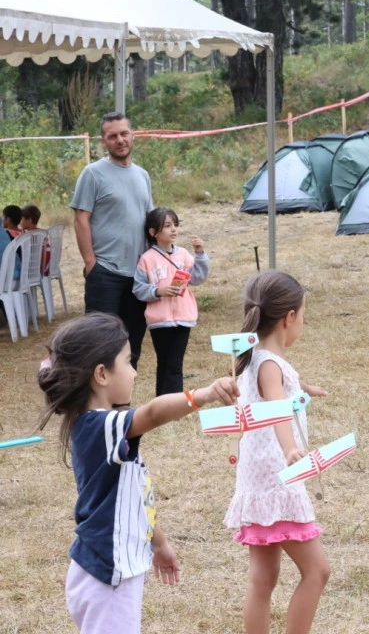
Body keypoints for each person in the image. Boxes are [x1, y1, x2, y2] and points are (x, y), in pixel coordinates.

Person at [35, 313, 238, 634]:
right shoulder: (100, 426)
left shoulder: (99, 427)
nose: (135, 371)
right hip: (106, 578)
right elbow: (154, 412)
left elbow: (129, 498)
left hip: (105, 572)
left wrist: (158, 542)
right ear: (101, 374)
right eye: (128, 362)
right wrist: (203, 394)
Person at [224, 271, 331, 633]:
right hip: (277, 478)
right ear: (288, 317)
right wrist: (290, 449)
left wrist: (303, 388)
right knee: (317, 570)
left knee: (263, 577)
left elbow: (280, 392)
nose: (302, 323)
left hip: (257, 477)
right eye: (303, 316)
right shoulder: (269, 363)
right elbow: (276, 408)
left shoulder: (254, 356)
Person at [72, 113, 154, 369]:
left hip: (138, 274)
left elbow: (149, 221)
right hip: (105, 272)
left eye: (124, 133)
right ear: (103, 141)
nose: (120, 140)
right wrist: (91, 263)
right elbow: (80, 218)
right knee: (99, 344)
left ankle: (123, 405)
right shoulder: (93, 174)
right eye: (112, 136)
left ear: (133, 135)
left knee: (133, 344)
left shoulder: (142, 175)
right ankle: (96, 406)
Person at [132, 208, 210, 397]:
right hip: (160, 320)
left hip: (184, 317)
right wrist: (158, 291)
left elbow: (197, 277)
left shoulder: (183, 254)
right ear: (153, 232)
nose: (173, 230)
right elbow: (138, 288)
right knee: (164, 362)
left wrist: (200, 254)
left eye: (175, 225)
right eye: (167, 226)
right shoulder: (147, 259)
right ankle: (163, 403)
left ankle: (173, 406)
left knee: (175, 364)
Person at [20, 203, 51, 275]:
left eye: (22, 219)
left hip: (34, 271)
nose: (20, 222)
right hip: (45, 269)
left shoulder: (28, 237)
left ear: (29, 220)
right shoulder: (42, 234)